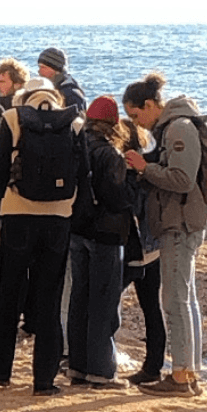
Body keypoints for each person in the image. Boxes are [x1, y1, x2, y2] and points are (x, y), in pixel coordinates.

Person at [0, 78, 88, 396]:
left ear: (25, 96)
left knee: (9, 294)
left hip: (17, 215)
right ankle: (43, 380)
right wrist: (75, 215)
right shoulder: (74, 122)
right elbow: (83, 174)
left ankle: (0, 370)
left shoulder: (12, 118)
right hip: (57, 218)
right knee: (49, 299)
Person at [123, 73, 207, 397]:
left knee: (175, 300)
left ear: (149, 105)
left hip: (180, 222)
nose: (139, 124)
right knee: (183, 298)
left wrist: (145, 168)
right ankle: (187, 372)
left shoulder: (178, 128)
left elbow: (182, 178)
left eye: (136, 116)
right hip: (181, 220)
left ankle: (181, 376)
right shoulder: (177, 126)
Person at [67, 96, 134, 389]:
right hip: (105, 233)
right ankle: (102, 370)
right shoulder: (110, 155)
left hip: (77, 229)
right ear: (113, 124)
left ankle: (77, 366)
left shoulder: (74, 148)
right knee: (104, 302)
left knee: (79, 299)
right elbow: (118, 199)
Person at [119, 117, 168, 386]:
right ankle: (153, 365)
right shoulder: (151, 166)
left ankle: (100, 359)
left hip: (133, 246)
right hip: (153, 245)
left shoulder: (130, 170)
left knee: (108, 302)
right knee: (152, 306)